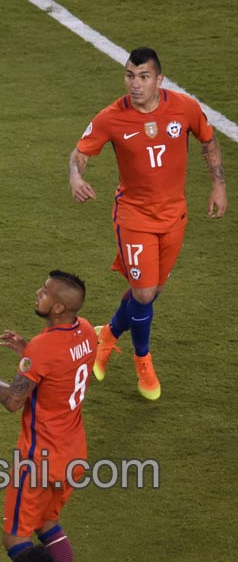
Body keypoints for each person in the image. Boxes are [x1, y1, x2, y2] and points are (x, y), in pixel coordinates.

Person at [68, 47, 227, 400]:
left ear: (159, 79)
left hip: (174, 217)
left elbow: (208, 140)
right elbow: (79, 154)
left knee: (152, 291)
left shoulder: (184, 108)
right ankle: (144, 361)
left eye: (142, 77)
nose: (134, 84)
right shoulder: (112, 117)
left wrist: (218, 185)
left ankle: (107, 335)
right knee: (142, 293)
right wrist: (76, 178)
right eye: (129, 75)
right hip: (134, 216)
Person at [0, 270, 97, 562]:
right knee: (47, 523)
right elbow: (61, 369)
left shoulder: (43, 347)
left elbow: (13, 401)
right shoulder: (87, 331)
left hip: (40, 460)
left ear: (59, 308)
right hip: (73, 454)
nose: (39, 293)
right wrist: (28, 353)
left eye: (45, 292)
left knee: (15, 536)